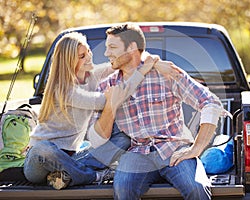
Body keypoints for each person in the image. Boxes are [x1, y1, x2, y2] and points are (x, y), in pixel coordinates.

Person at [92, 22, 224, 200]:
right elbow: (98, 137)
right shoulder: (107, 85)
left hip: (173, 148)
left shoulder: (166, 74)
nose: (106, 53)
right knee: (123, 189)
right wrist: (111, 105)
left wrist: (197, 148)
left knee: (197, 188)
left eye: (112, 47)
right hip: (137, 152)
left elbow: (210, 102)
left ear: (132, 48)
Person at [23, 32, 169, 190]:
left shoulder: (91, 77)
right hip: (39, 162)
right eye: (82, 56)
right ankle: (94, 176)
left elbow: (125, 61)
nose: (89, 57)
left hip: (72, 158)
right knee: (44, 148)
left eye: (88, 51)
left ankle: (66, 175)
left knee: (124, 137)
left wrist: (153, 62)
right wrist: (140, 73)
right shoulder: (63, 90)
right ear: (68, 60)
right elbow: (109, 101)